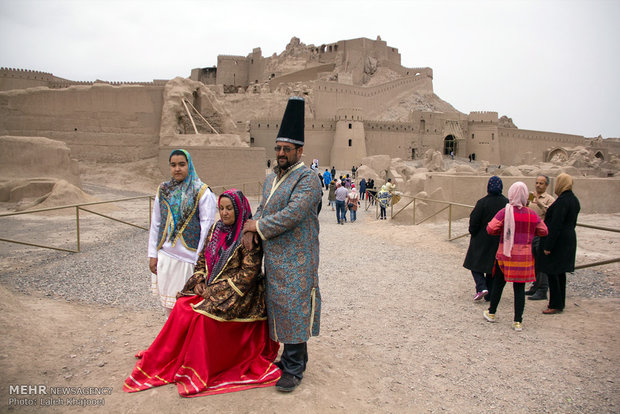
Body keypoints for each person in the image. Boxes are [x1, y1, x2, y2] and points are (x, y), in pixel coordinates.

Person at [125, 189, 280, 397]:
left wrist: (212, 291)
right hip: (211, 289)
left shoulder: (248, 237)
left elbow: (248, 276)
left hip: (242, 296)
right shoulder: (216, 229)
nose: (224, 213)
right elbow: (201, 259)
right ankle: (173, 356)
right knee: (181, 306)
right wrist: (198, 279)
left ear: (239, 209)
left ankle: (195, 368)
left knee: (200, 317)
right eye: (221, 208)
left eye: (229, 209)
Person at [242, 96, 322, 392]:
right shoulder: (270, 178)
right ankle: (290, 358)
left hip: (299, 257)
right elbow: (264, 207)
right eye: (278, 148)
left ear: (300, 151)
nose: (281, 153)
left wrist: (257, 226)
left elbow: (292, 215)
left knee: (294, 307)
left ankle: (294, 369)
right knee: (278, 306)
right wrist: (252, 226)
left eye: (287, 149)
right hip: (275, 257)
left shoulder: (308, 179)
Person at [148, 149, 217, 316]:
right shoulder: (163, 190)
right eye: (173, 165)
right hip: (166, 257)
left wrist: (199, 262)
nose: (177, 169)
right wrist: (153, 254)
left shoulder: (202, 191)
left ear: (189, 165)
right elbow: (156, 223)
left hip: (189, 260)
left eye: (181, 164)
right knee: (169, 308)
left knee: (188, 308)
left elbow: (206, 228)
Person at [483, 182, 548, 331]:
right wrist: (531, 233)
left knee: (499, 284)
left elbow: (490, 228)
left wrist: (503, 232)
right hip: (524, 257)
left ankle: (492, 313)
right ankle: (517, 321)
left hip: (505, 254)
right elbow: (544, 231)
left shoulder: (505, 212)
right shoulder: (532, 214)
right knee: (519, 289)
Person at [539, 173, 580, 315]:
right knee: (560, 273)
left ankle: (555, 303)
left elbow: (556, 225)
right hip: (568, 239)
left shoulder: (563, 201)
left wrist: (548, 246)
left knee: (553, 272)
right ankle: (559, 302)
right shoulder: (573, 199)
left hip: (559, 241)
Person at [463, 176, 508, 302]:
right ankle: (489, 292)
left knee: (474, 264)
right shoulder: (507, 203)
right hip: (499, 240)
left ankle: (481, 287)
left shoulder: (482, 202)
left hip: (481, 239)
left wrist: (473, 232)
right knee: (492, 266)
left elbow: (474, 221)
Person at [526, 175, 555, 301]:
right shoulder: (531, 197)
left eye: (541, 183)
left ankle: (543, 289)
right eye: (537, 183)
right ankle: (535, 285)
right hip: (530, 233)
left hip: (541, 234)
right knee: (534, 262)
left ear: (546, 185)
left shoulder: (549, 199)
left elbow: (551, 213)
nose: (538, 185)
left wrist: (539, 203)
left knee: (541, 262)